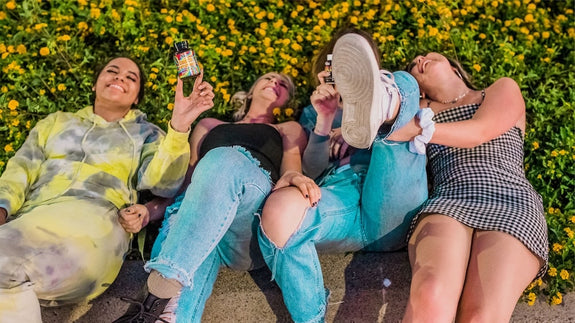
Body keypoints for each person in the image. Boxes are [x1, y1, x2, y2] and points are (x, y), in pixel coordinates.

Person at [0, 56, 215, 322]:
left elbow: (164, 184)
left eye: (130, 78)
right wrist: (2, 206)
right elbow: (20, 169)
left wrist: (179, 127)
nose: (119, 78)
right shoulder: (55, 123)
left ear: (137, 97)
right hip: (32, 220)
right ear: (95, 85)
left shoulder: (146, 134)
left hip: (95, 227)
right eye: (112, 71)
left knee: (6, 265)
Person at [114, 72, 320, 323]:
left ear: (288, 99)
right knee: (183, 214)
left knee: (222, 160)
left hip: (249, 220)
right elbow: (186, 185)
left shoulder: (287, 128)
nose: (275, 83)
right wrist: (149, 211)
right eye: (268, 78)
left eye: (283, 84)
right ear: (251, 90)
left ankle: (163, 285)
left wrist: (297, 180)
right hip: (198, 218)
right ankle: (165, 314)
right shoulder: (209, 125)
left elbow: (291, 171)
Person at [257, 29, 428, 323]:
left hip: (392, 196)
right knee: (280, 209)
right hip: (339, 197)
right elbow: (311, 171)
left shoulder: (408, 101)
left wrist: (367, 131)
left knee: (405, 83)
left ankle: (383, 105)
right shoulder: (315, 112)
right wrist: (324, 119)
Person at [389, 52, 547, 322]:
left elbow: (480, 131)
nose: (419, 60)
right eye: (413, 65)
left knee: (480, 317)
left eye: (426, 55)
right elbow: (377, 108)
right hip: (449, 201)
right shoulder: (418, 111)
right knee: (431, 291)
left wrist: (420, 129)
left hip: (511, 201)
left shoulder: (499, 89)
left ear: (453, 66)